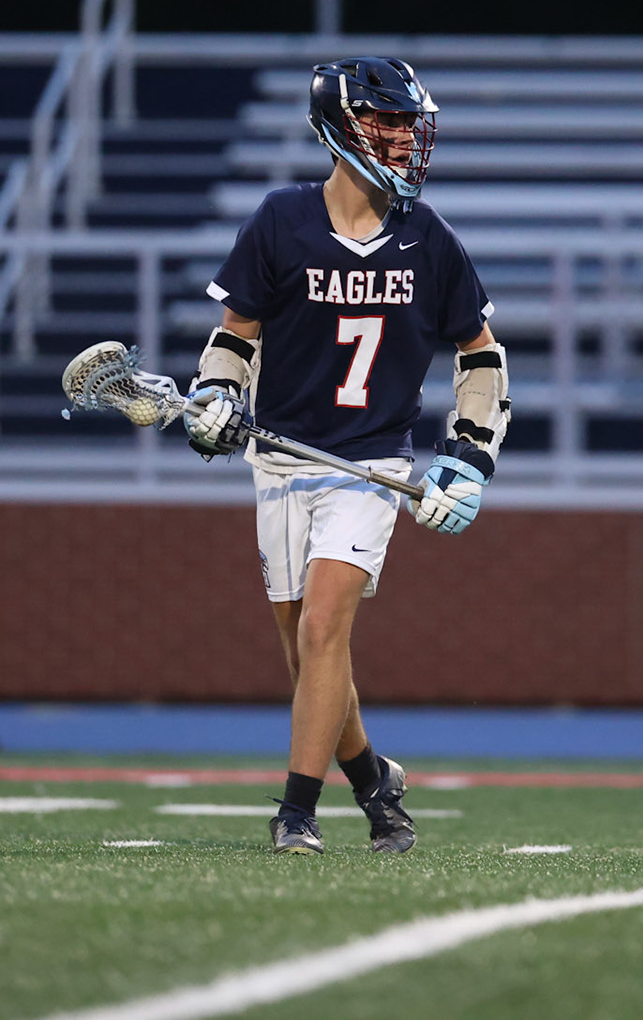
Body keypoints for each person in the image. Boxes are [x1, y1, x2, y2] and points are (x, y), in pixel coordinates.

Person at [182, 57, 509, 854]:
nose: (403, 139)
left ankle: (297, 812)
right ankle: (374, 782)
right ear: (340, 126)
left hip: (371, 465)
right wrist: (218, 396)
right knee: (307, 656)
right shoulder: (280, 221)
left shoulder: (426, 238)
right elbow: (235, 338)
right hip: (282, 460)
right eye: (387, 122)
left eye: (408, 124)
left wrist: (468, 456)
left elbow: (482, 355)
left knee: (326, 628)